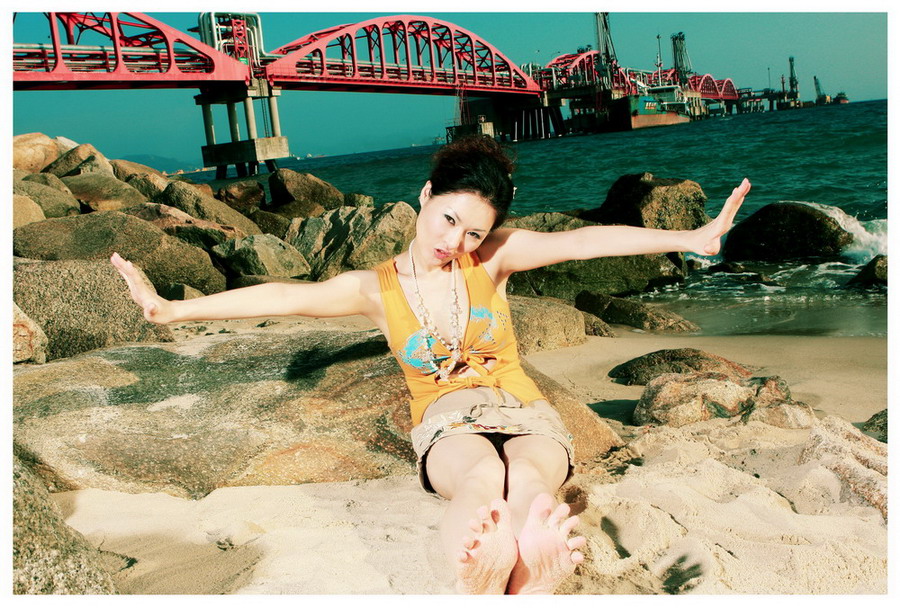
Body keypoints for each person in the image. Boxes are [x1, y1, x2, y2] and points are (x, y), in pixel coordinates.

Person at [111, 135, 750, 594]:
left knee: (529, 477)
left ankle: (531, 558)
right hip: (448, 416)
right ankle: (482, 565)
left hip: (524, 406)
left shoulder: (495, 259)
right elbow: (283, 297)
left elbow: (584, 241)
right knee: (479, 479)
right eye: (448, 219)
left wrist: (689, 238)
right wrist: (173, 310)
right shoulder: (374, 288)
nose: (454, 242)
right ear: (425, 195)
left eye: (473, 232)